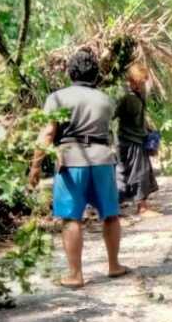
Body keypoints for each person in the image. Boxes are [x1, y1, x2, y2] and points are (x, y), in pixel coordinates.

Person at [27, 48, 130, 289]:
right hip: (103, 159)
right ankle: (114, 265)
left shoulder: (57, 98)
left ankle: (75, 275)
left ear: (70, 73)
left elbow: (48, 132)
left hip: (71, 160)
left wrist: (35, 167)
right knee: (110, 215)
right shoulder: (106, 99)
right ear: (96, 74)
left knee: (71, 218)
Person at [116, 62, 159, 214]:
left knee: (140, 172)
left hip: (137, 138)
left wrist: (148, 130)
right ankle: (142, 207)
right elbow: (114, 115)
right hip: (130, 140)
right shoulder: (127, 97)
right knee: (138, 173)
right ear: (132, 81)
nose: (142, 85)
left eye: (143, 81)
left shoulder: (137, 95)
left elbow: (140, 118)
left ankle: (140, 205)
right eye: (140, 81)